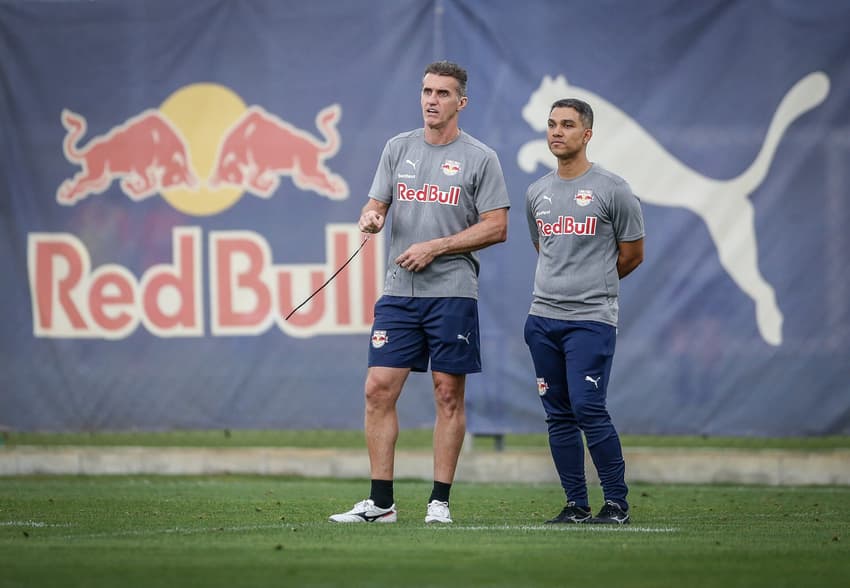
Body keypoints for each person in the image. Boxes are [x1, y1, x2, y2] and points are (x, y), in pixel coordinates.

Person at [329, 61, 510, 524]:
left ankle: (439, 502)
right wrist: (370, 217)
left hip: (452, 292)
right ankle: (381, 502)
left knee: (447, 394)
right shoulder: (397, 148)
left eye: (443, 93)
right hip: (399, 291)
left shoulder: (481, 157)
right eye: (427, 91)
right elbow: (375, 205)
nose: (432, 100)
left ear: (461, 102)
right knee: (377, 389)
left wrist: (437, 246)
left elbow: (497, 226)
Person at [523, 98, 644, 525]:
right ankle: (576, 504)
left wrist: (594, 287)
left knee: (589, 408)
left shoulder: (614, 189)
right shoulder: (536, 192)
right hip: (542, 319)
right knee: (557, 415)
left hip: (591, 320)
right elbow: (546, 249)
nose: (557, 132)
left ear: (587, 134)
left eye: (568, 125)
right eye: (552, 124)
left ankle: (616, 504)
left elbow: (631, 255)